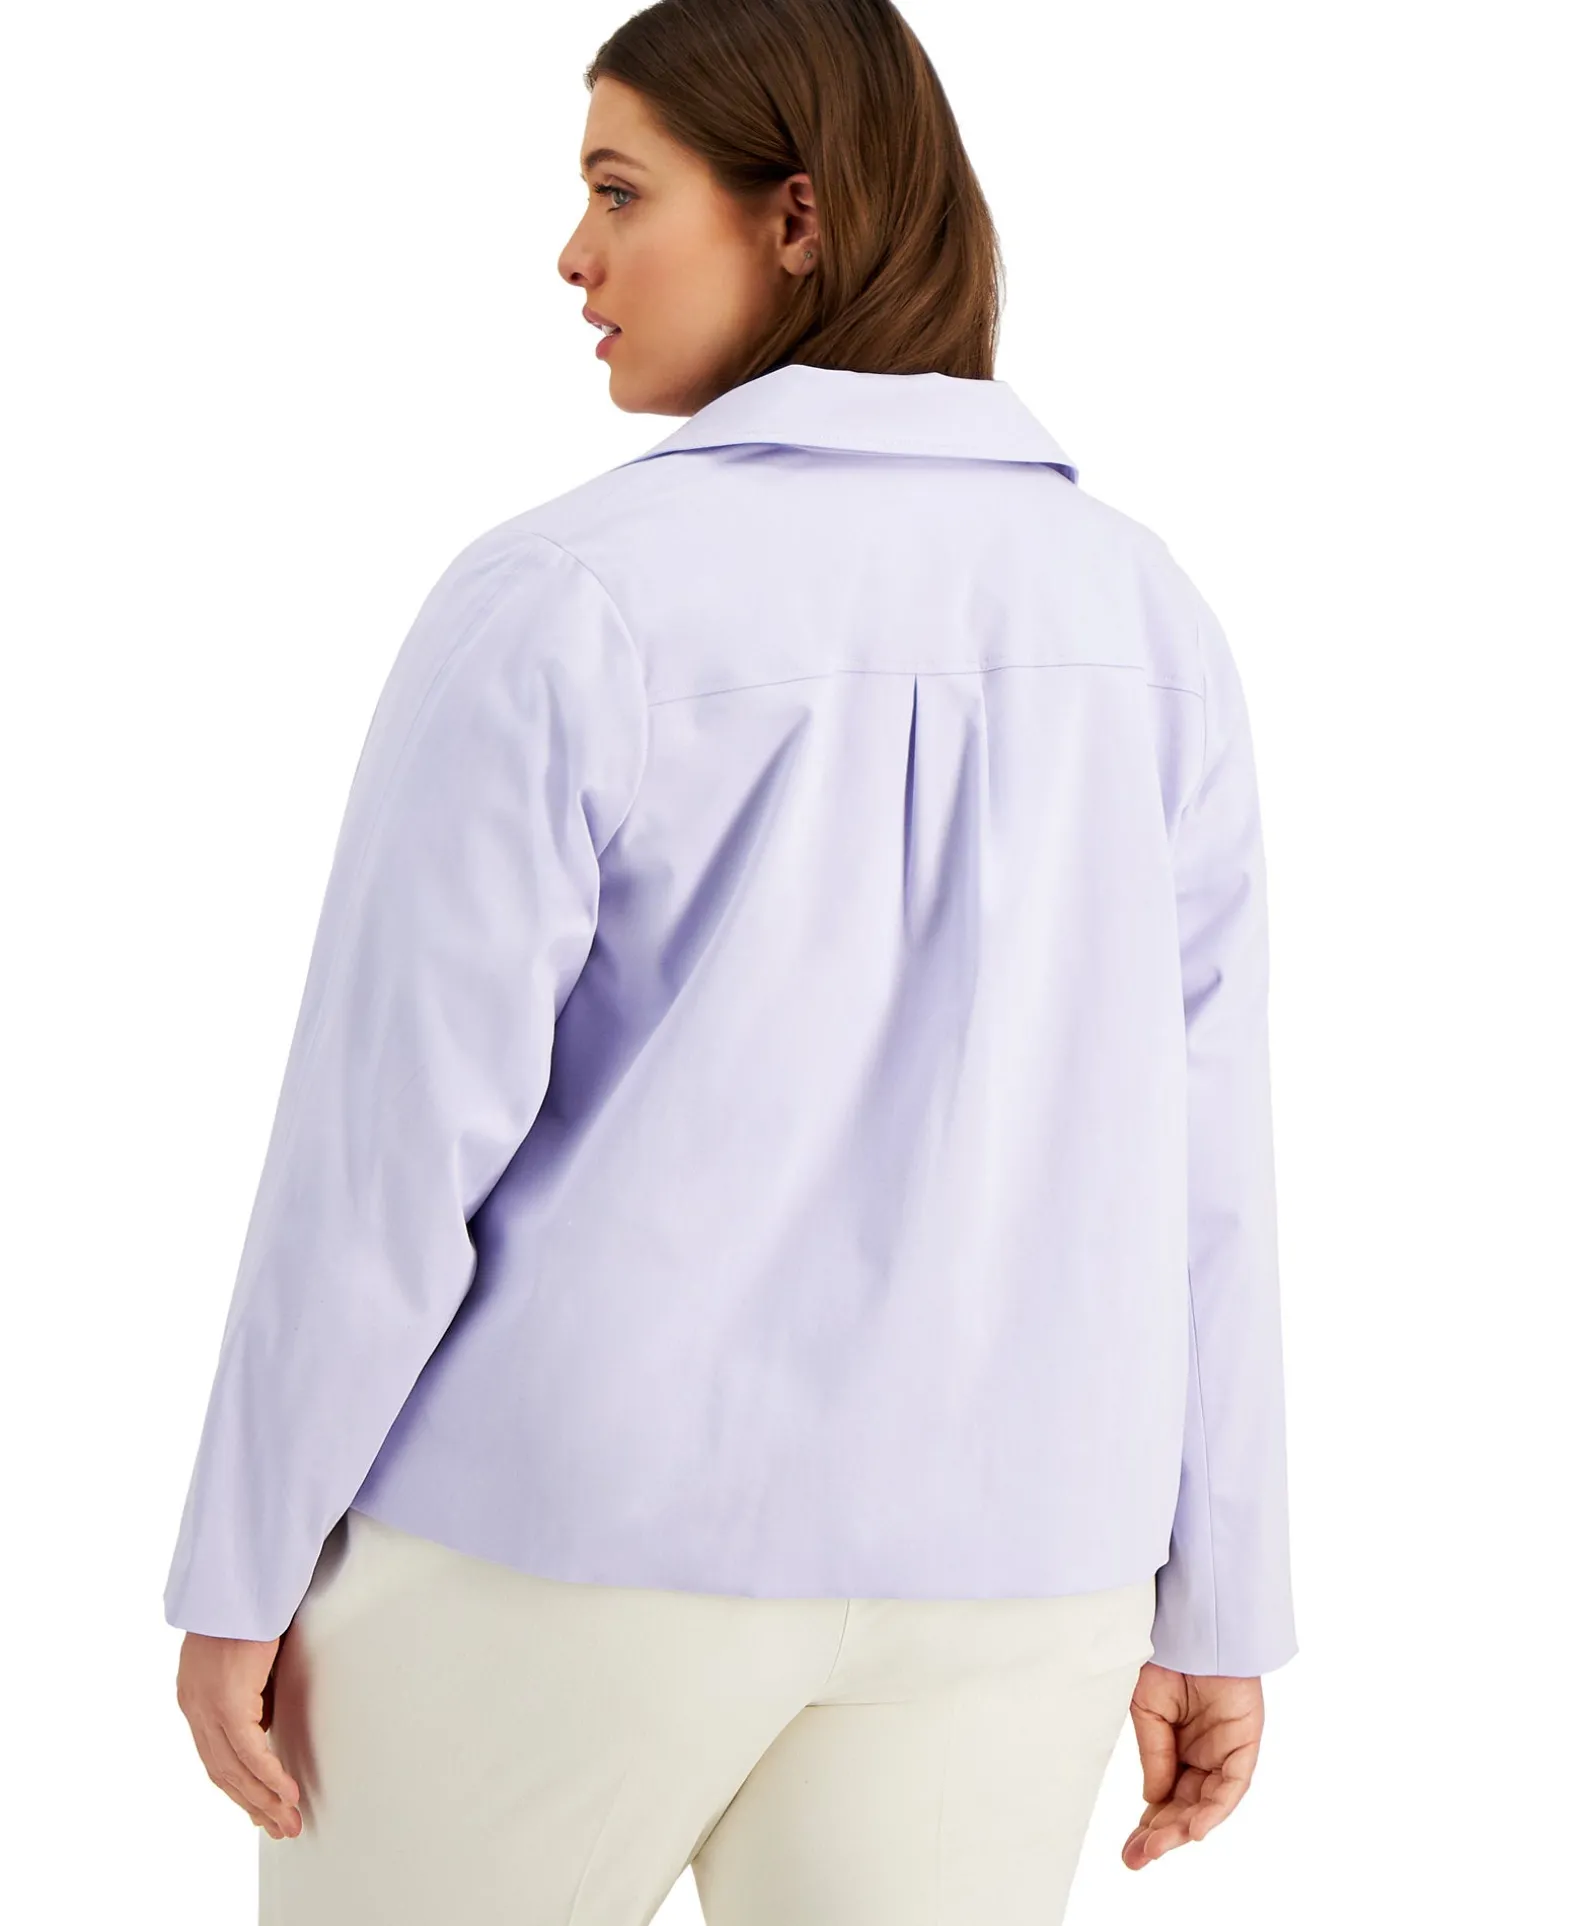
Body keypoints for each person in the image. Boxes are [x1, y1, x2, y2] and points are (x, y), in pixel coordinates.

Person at [167, 3, 1297, 1920]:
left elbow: (390, 1147)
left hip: (565, 1548)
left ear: (797, 217)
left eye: (620, 191)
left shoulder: (567, 598)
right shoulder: (1147, 615)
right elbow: (1208, 1162)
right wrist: (1221, 1598)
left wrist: (239, 1563)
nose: (572, 254)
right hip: (1018, 1576)